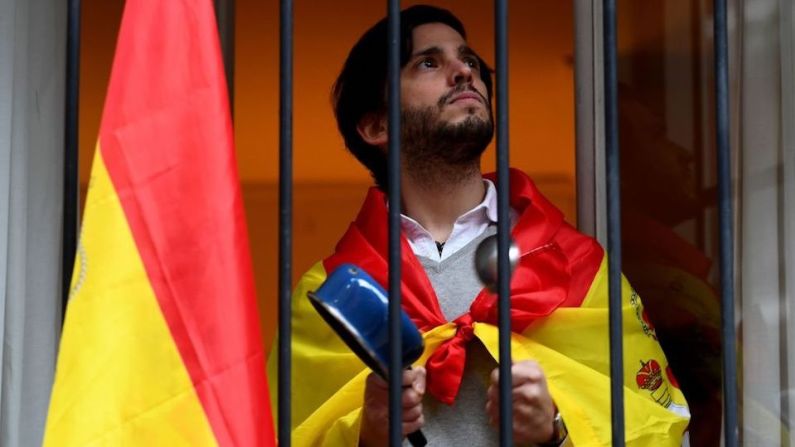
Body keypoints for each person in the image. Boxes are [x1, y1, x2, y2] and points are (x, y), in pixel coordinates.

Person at [267, 5, 690, 446]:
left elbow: (666, 431)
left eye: (469, 60)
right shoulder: (332, 295)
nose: (463, 72)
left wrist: (555, 433)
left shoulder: (576, 267)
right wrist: (368, 435)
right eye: (428, 62)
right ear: (377, 125)